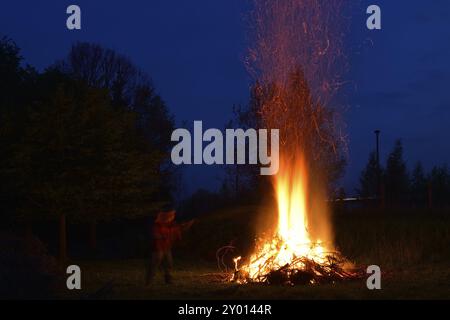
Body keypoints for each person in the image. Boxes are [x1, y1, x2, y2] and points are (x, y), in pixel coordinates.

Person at [145, 209, 194, 285]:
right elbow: (156, 235)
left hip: (167, 247)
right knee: (155, 263)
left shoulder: (172, 225)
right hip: (158, 248)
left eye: (172, 216)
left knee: (169, 263)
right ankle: (149, 281)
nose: (172, 217)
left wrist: (191, 221)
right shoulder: (158, 225)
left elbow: (182, 228)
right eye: (171, 216)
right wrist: (162, 237)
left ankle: (168, 280)